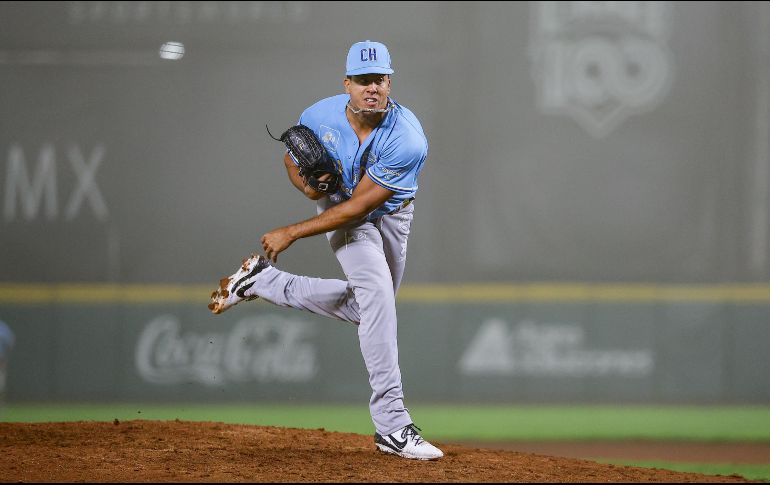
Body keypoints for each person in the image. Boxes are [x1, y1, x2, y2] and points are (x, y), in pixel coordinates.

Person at [209, 40, 443, 460]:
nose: (372, 88)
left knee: (369, 307)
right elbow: (291, 159)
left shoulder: (407, 138)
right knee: (377, 300)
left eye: (380, 79)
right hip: (337, 208)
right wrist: (306, 186)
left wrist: (293, 232)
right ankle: (392, 425)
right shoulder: (319, 115)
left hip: (386, 216)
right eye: (362, 80)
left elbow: (362, 206)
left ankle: (264, 280)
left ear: (390, 83)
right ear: (347, 83)